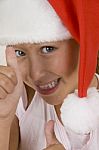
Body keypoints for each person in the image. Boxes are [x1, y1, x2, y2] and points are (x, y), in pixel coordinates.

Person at [0, 0, 99, 150]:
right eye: (20, 53)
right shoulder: (18, 100)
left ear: (85, 42)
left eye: (48, 49)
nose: (35, 74)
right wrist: (3, 121)